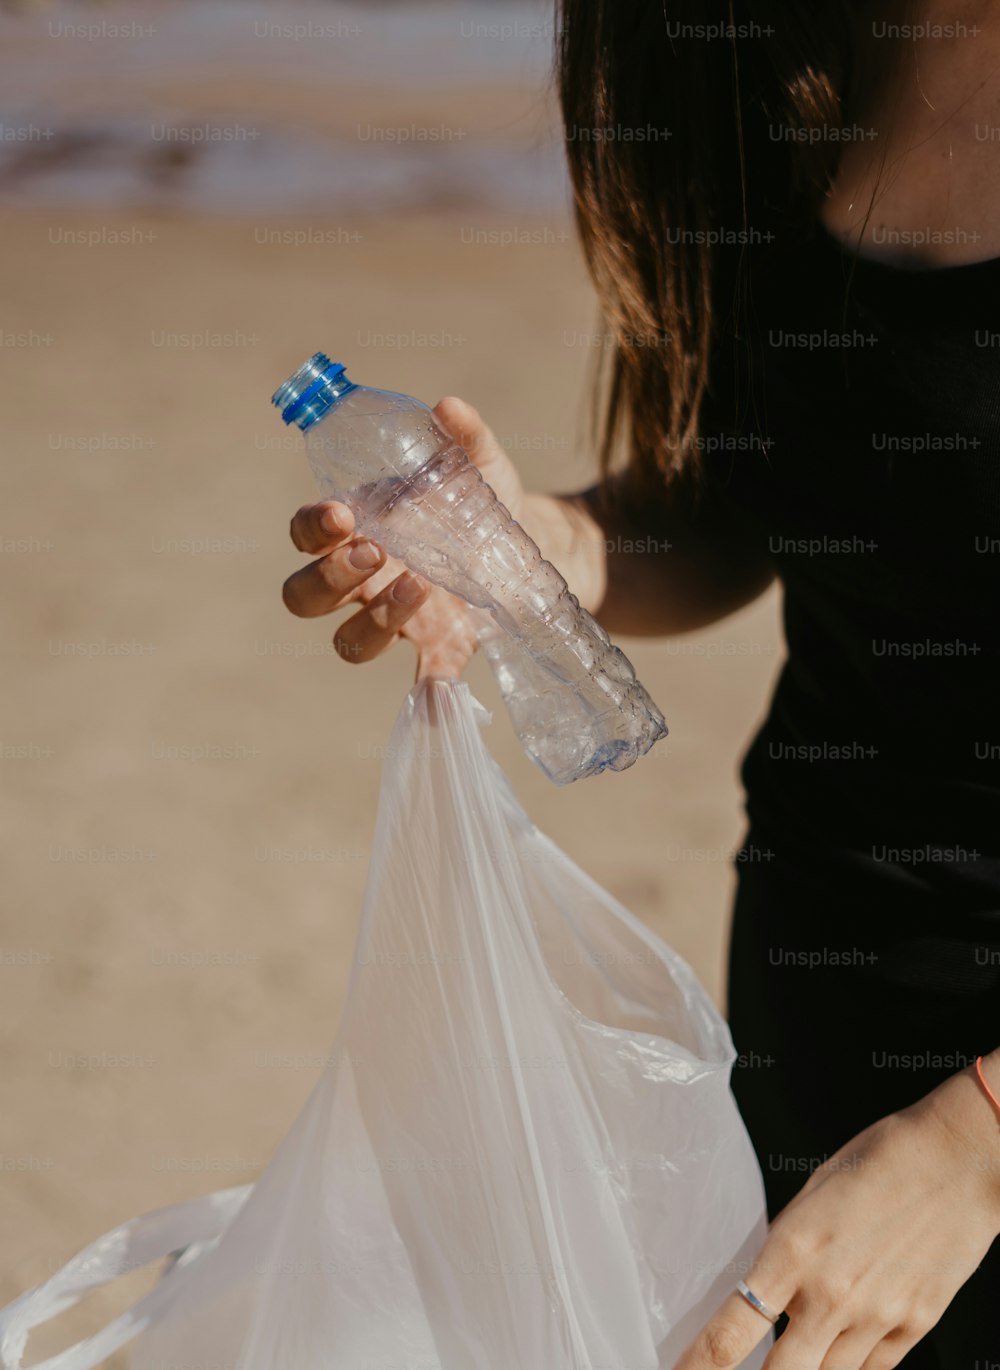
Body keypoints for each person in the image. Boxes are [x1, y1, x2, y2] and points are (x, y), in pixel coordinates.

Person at [281, 3, 1000, 1366]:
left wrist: (978, 1142)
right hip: (823, 978)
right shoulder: (757, 61)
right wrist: (523, 548)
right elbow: (751, 503)